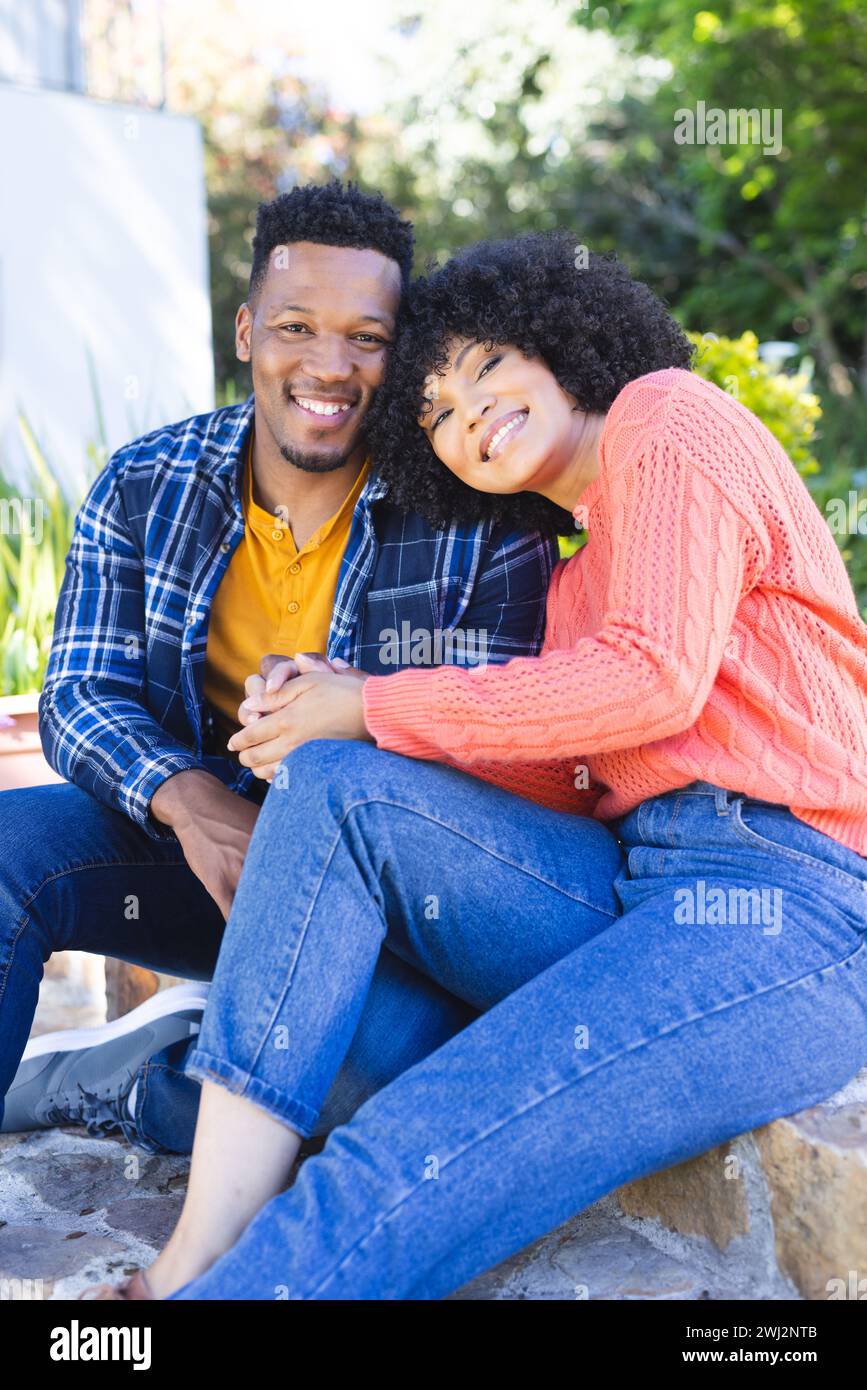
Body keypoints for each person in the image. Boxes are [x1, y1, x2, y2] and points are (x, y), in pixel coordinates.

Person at [83, 231, 867, 1301]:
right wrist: (334, 716)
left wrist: (374, 702)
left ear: (558, 339)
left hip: (800, 904)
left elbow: (654, 679)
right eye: (437, 415)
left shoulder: (666, 415)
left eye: (486, 367)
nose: (469, 415)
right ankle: (200, 1242)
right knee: (332, 788)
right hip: (637, 885)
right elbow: (570, 780)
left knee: (439, 1118)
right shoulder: (570, 582)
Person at [0, 188, 559, 1157]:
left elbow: (502, 750)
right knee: (8, 847)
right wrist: (192, 804)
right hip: (200, 865)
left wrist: (352, 716)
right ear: (249, 329)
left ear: (405, 351)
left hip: (371, 908)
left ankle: (120, 1080)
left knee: (349, 1082)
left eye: (368, 337)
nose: (329, 366)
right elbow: (81, 693)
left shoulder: (481, 518)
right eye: (297, 326)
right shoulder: (146, 482)